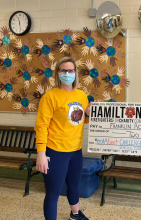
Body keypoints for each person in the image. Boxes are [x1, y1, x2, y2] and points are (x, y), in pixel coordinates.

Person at [35, 57, 92, 220]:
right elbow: (41, 126)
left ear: (76, 73)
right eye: (63, 70)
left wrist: (88, 114)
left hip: (75, 150)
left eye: (71, 70)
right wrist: (41, 154)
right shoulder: (50, 96)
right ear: (57, 73)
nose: (68, 73)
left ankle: (75, 214)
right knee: (53, 192)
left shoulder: (82, 95)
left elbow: (79, 120)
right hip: (55, 151)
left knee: (74, 186)